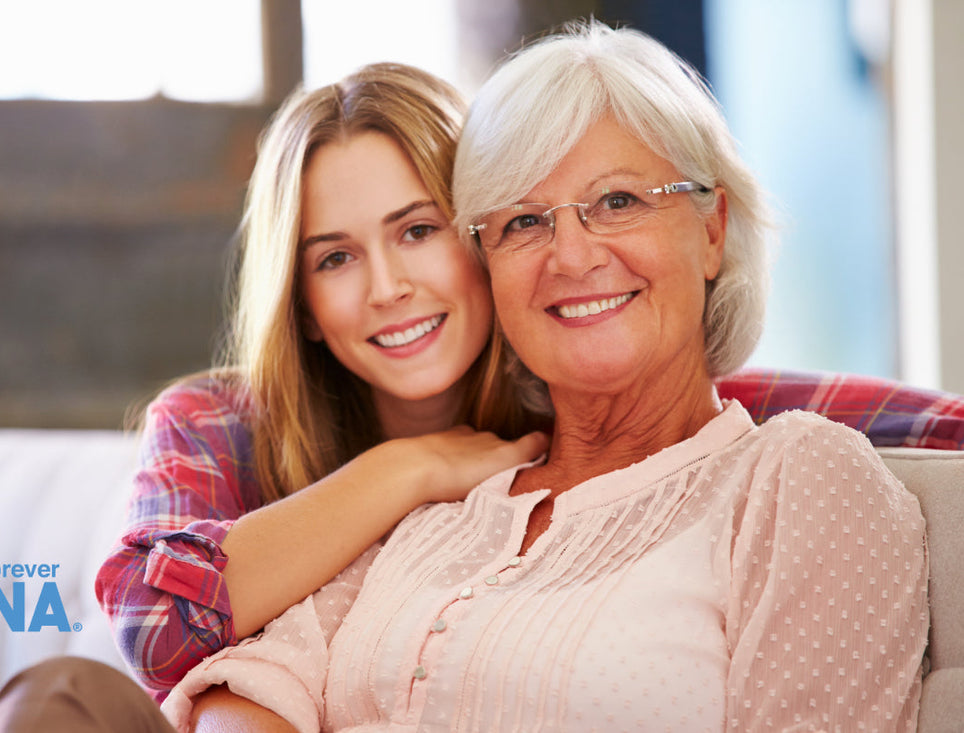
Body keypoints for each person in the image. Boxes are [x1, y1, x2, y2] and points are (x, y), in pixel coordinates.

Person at [160, 21, 929, 732]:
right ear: (487, 264)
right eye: (524, 220)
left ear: (712, 231)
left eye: (619, 201)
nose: (571, 256)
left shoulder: (797, 478)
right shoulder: (447, 498)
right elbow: (251, 678)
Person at [93, 61, 547, 700]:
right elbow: (154, 628)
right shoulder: (213, 423)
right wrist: (407, 468)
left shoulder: (572, 400)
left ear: (484, 235)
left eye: (418, 230)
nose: (388, 289)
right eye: (335, 259)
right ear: (302, 304)